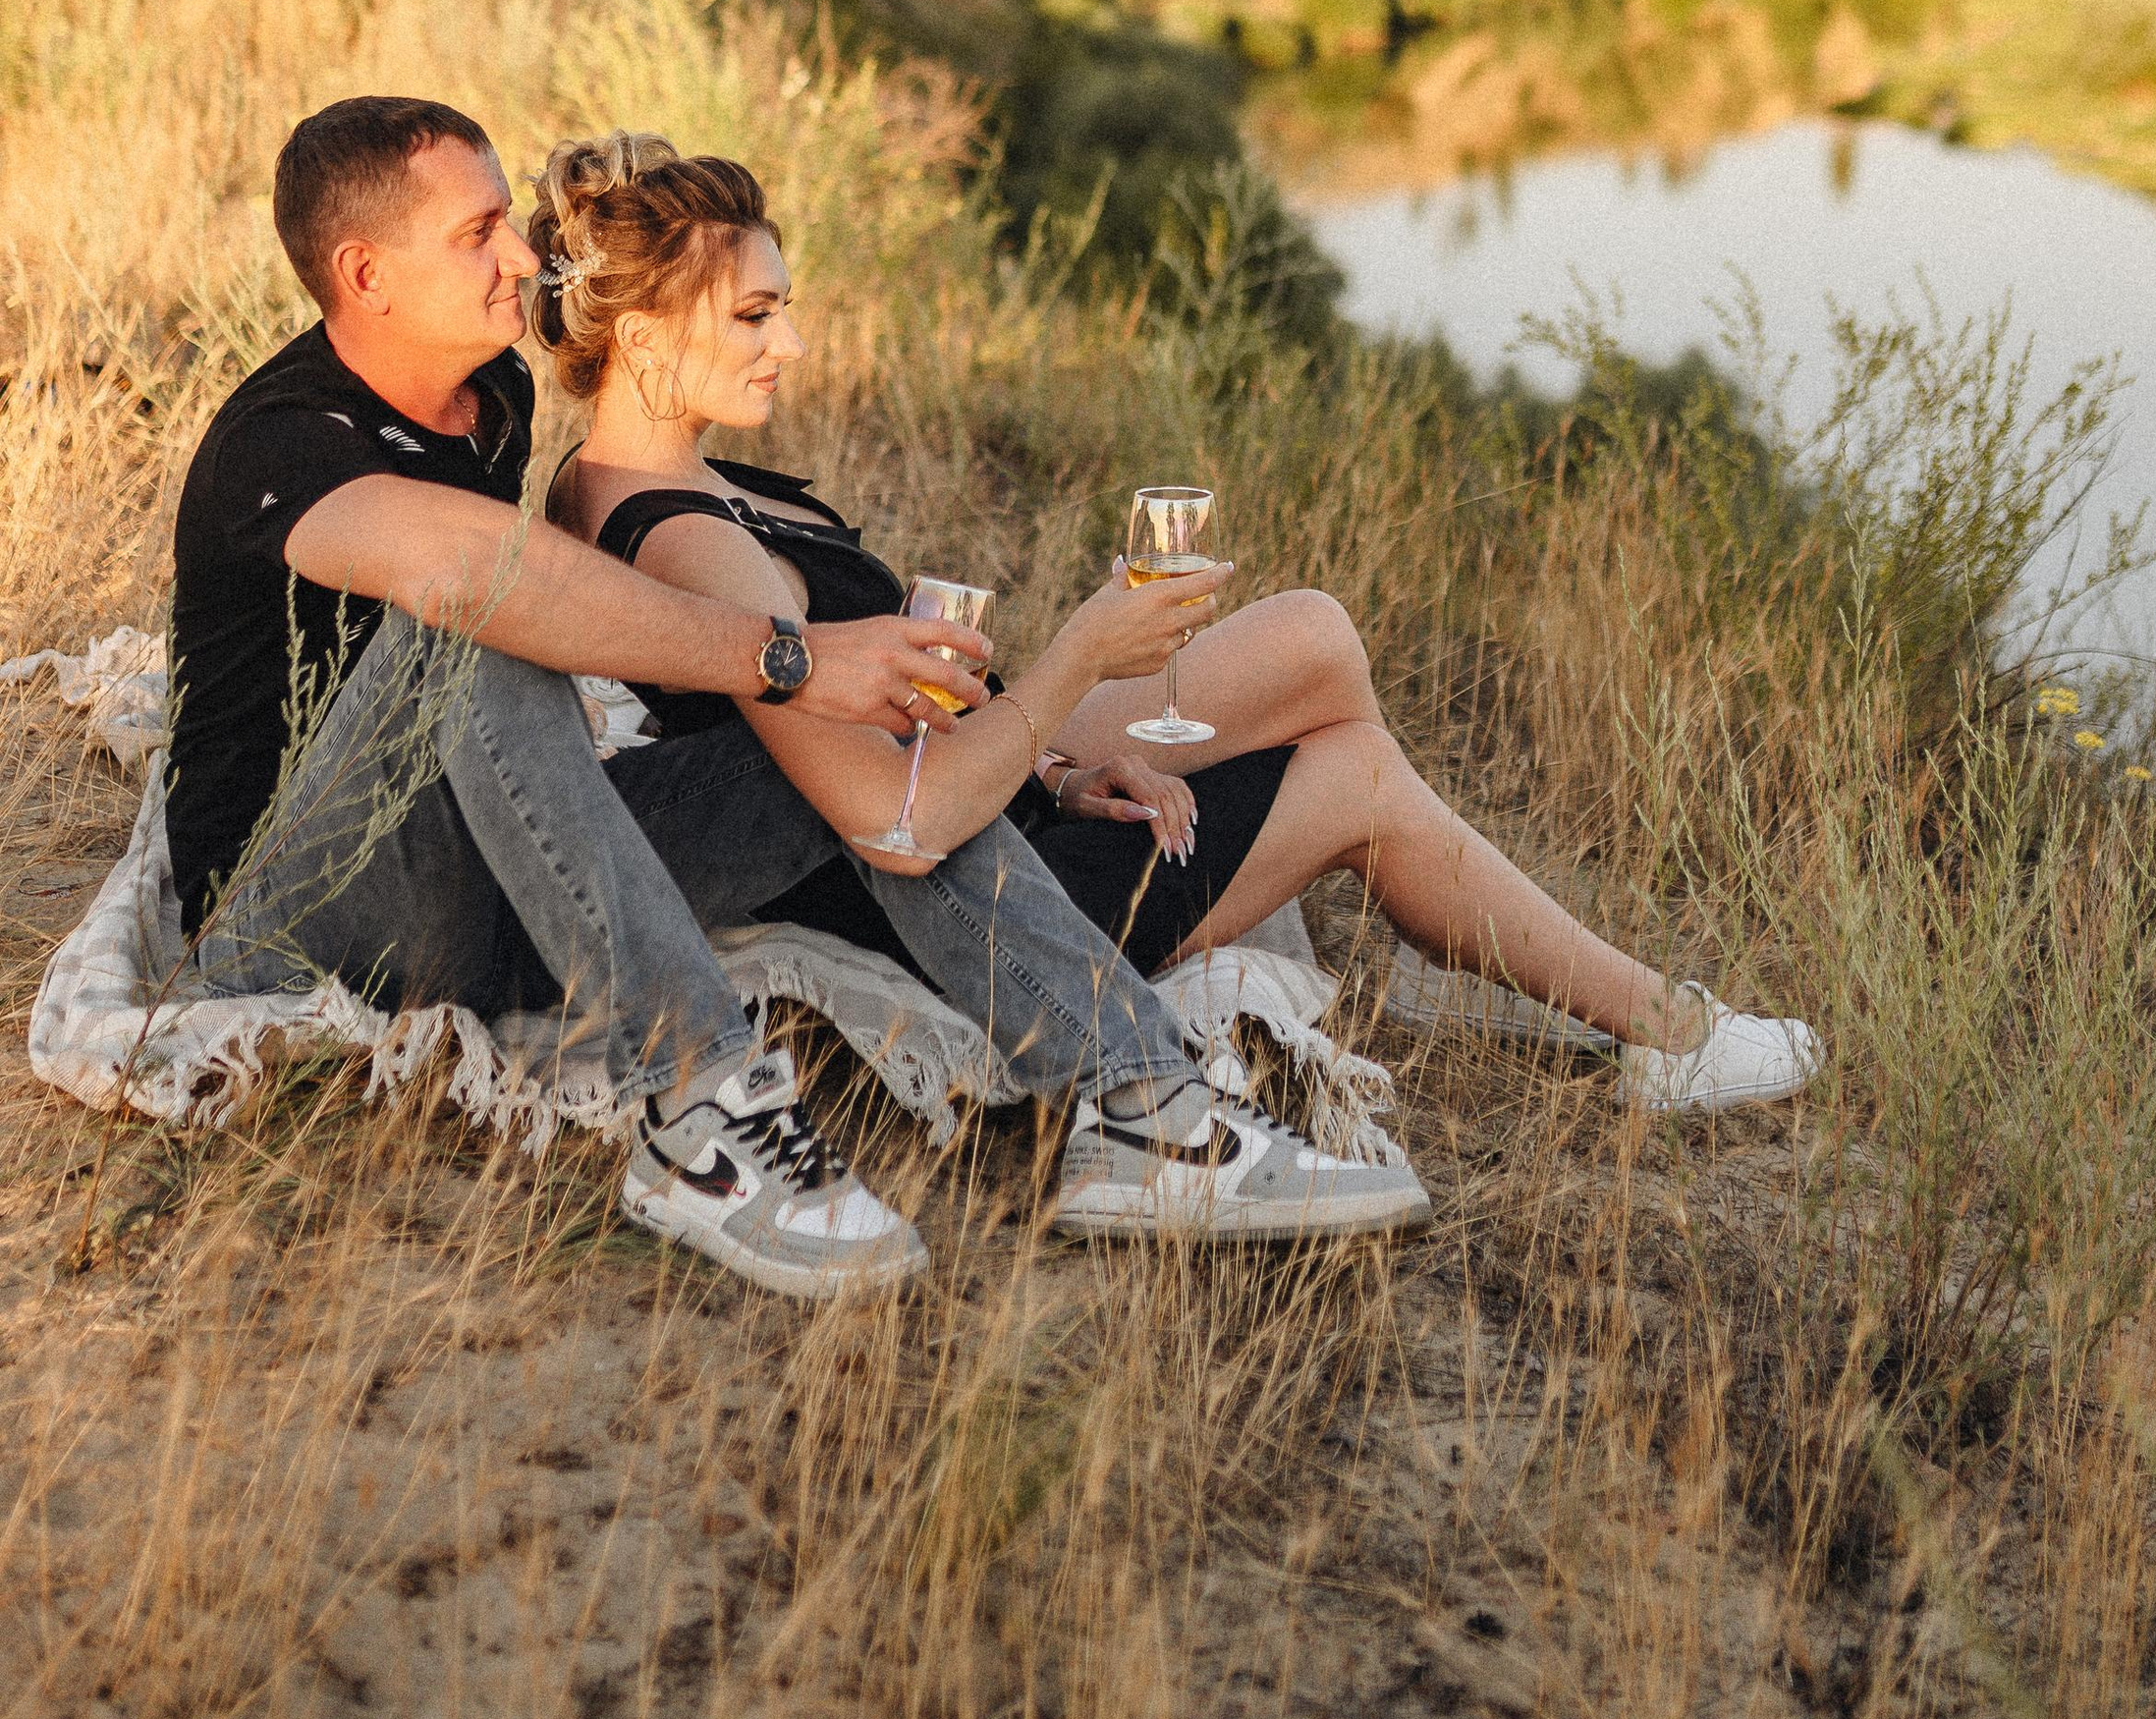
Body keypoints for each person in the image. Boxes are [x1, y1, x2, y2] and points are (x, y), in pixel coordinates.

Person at [164, 96, 1427, 1304]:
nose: (520, 257)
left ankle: (1144, 1109)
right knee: (482, 614)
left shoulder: (489, 398)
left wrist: (975, 741)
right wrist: (793, 656)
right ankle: (699, 1108)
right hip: (306, 912)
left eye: (509, 219)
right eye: (477, 232)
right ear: (367, 274)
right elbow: (479, 577)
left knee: (851, 754)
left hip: (499, 888)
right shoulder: (282, 441)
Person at [535, 133, 1824, 1117]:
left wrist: (1055, 765)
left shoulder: (627, 480)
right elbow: (899, 826)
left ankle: (1452, 913)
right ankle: (1663, 1027)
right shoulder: (693, 543)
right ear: (642, 337)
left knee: (1311, 638)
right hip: (980, 906)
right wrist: (1083, 657)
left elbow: (867, 738)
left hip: (995, 796)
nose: (794, 341)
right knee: (1355, 770)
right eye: (756, 315)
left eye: (782, 306)